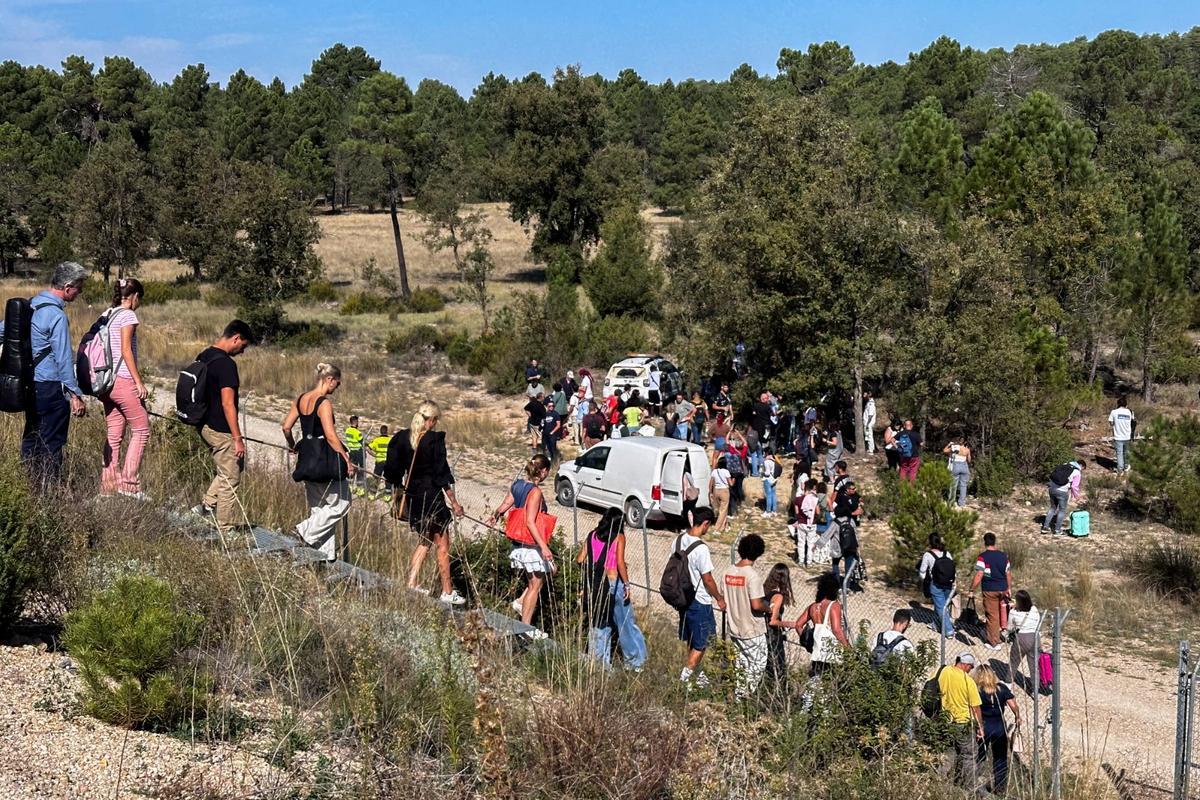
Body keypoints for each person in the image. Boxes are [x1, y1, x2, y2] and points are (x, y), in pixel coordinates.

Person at [385, 401, 466, 606]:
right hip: (431, 496)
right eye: (435, 420)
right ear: (430, 420)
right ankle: (447, 591)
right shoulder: (433, 441)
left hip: (413, 494)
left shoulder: (402, 438)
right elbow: (441, 475)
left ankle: (411, 582)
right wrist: (454, 502)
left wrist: (398, 487)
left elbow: (392, 469)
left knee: (425, 540)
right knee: (443, 544)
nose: (435, 424)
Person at [20, 261, 88, 489]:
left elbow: (3, 331)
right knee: (52, 442)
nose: (80, 293)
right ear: (68, 287)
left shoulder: (29, 307)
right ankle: (48, 494)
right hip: (51, 387)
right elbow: (63, 359)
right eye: (79, 288)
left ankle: (26, 486)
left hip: (29, 386)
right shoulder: (56, 315)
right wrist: (74, 394)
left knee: (31, 436)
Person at [281, 363, 354, 561]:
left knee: (319, 508)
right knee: (342, 503)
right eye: (336, 384)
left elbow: (286, 427)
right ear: (329, 379)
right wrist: (346, 459)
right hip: (324, 458)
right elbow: (331, 436)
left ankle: (324, 555)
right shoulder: (323, 403)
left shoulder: (300, 399)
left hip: (307, 456)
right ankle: (302, 530)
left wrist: (293, 445)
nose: (336, 388)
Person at [190, 320, 253, 530]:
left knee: (227, 469)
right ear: (235, 338)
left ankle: (206, 507)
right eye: (243, 346)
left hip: (204, 424)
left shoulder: (205, 355)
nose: (242, 351)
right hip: (220, 428)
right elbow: (228, 404)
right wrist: (237, 438)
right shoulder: (226, 364)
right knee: (232, 477)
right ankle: (225, 528)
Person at [488, 455, 554, 639]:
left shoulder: (517, 485)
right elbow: (530, 522)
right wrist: (544, 547)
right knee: (536, 584)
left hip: (518, 541)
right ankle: (525, 627)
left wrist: (496, 515)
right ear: (543, 472)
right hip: (530, 542)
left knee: (540, 577)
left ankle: (519, 603)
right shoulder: (535, 492)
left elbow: (505, 504)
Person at [577, 508, 648, 670]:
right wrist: (627, 585)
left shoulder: (592, 535)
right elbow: (620, 563)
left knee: (601, 624)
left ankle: (599, 663)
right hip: (614, 583)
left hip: (595, 585)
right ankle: (635, 662)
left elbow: (580, 559)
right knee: (625, 624)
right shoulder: (618, 537)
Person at [99, 278, 150, 500]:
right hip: (123, 380)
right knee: (141, 429)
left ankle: (109, 485)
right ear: (135, 296)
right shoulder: (128, 315)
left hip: (106, 382)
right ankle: (129, 485)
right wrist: (138, 382)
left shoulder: (108, 314)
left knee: (114, 434)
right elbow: (126, 351)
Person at [674, 507, 726, 687]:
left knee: (693, 639)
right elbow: (708, 579)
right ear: (705, 524)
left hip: (683, 597)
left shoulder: (678, 540)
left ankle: (697, 676)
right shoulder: (701, 548)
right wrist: (719, 598)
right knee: (702, 643)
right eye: (708, 526)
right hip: (700, 600)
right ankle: (685, 679)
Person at [722, 533, 768, 699]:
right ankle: (746, 696)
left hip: (734, 626)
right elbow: (756, 604)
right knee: (758, 664)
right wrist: (768, 608)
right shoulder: (752, 576)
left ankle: (739, 696)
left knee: (741, 665)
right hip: (752, 628)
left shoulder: (727, 572)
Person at [939, 653, 985, 793]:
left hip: (946, 720)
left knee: (948, 752)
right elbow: (975, 707)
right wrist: (980, 727)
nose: (970, 671)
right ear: (966, 665)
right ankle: (971, 788)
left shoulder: (944, 671)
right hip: (963, 722)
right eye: (970, 667)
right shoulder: (967, 681)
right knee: (969, 755)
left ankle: (939, 781)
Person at [792, 572, 849, 676]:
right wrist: (847, 647)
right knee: (831, 678)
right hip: (830, 650)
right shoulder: (834, 605)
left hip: (817, 649)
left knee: (816, 676)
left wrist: (807, 642)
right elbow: (836, 630)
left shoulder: (813, 607)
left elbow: (798, 625)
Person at [975, 663, 1020, 794]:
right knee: (1000, 758)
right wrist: (1017, 716)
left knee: (979, 755)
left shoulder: (977, 690)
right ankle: (1000, 787)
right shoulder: (1001, 688)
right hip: (999, 726)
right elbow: (1013, 705)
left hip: (984, 726)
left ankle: (975, 781)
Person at [971, 532, 1012, 650]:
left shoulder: (983, 557)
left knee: (992, 615)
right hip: (1003, 588)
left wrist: (971, 589)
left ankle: (994, 642)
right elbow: (1008, 573)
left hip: (990, 589)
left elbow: (979, 574)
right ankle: (1000, 634)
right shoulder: (1004, 556)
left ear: (985, 542)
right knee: (1002, 613)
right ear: (994, 542)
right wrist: (1009, 588)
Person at [762, 563, 794, 694]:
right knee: (777, 667)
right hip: (773, 636)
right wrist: (790, 624)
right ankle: (778, 695)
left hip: (761, 632)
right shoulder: (778, 596)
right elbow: (773, 621)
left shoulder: (764, 590)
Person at [918, 533, 956, 637]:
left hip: (936, 584)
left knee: (940, 607)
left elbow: (922, 572)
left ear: (930, 543)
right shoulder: (947, 553)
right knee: (943, 605)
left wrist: (925, 580)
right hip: (949, 583)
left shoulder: (928, 555)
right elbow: (953, 568)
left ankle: (949, 631)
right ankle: (936, 624)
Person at [1007, 589, 1043, 694]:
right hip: (1035, 638)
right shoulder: (1034, 609)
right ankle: (1035, 689)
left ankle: (1008, 683)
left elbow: (1009, 628)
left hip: (1021, 638)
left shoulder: (1013, 612)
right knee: (1034, 665)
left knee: (1014, 662)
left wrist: (1013, 609)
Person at [1041, 459, 1085, 535]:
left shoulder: (1065, 464)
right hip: (1062, 492)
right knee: (1062, 510)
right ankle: (1057, 530)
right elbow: (1074, 486)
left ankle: (1045, 527)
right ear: (1082, 466)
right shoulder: (1077, 472)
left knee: (1052, 508)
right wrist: (1076, 496)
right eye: (1083, 469)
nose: (1082, 470)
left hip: (1052, 489)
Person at [830, 481, 862, 582]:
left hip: (839, 546)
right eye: (852, 489)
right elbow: (855, 534)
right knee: (847, 563)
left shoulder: (836, 522)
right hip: (848, 545)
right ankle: (846, 585)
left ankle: (837, 582)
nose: (854, 490)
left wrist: (817, 545)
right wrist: (857, 546)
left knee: (836, 563)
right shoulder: (850, 521)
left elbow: (827, 534)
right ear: (847, 489)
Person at [1109, 396, 1135, 474]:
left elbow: (1110, 422)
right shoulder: (1130, 412)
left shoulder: (1114, 412)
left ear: (1118, 404)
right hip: (1127, 436)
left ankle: (1120, 469)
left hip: (1118, 436)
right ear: (1126, 405)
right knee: (1126, 452)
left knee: (1119, 453)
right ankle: (1126, 466)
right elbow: (1132, 421)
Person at [944, 439, 972, 507]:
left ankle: (951, 502)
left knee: (953, 485)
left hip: (956, 465)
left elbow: (944, 451)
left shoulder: (955, 447)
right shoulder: (967, 449)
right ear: (965, 442)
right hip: (964, 466)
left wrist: (949, 444)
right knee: (963, 485)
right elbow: (969, 460)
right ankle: (962, 503)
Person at [368, 424, 393, 500]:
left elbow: (368, 448)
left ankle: (372, 495)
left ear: (380, 431)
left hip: (379, 462)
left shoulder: (377, 440)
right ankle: (387, 496)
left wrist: (374, 455)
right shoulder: (391, 440)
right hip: (388, 462)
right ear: (387, 432)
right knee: (388, 478)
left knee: (376, 478)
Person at [344, 414, 366, 496]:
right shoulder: (358, 432)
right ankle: (359, 488)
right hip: (358, 452)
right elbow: (362, 442)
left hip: (351, 452)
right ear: (356, 422)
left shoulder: (347, 430)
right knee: (360, 470)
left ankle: (350, 486)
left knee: (351, 469)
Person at [709, 456, 732, 532]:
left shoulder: (714, 472)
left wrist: (710, 493)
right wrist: (734, 480)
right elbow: (731, 484)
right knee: (723, 510)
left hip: (716, 491)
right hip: (724, 491)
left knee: (722, 509)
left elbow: (710, 484)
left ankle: (724, 526)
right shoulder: (726, 472)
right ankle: (717, 528)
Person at [761, 450, 780, 517]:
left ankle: (768, 511)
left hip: (767, 480)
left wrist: (762, 473)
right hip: (774, 479)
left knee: (768, 495)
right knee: (773, 495)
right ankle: (774, 511)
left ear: (766, 453)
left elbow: (767, 473)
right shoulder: (774, 460)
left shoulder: (766, 462)